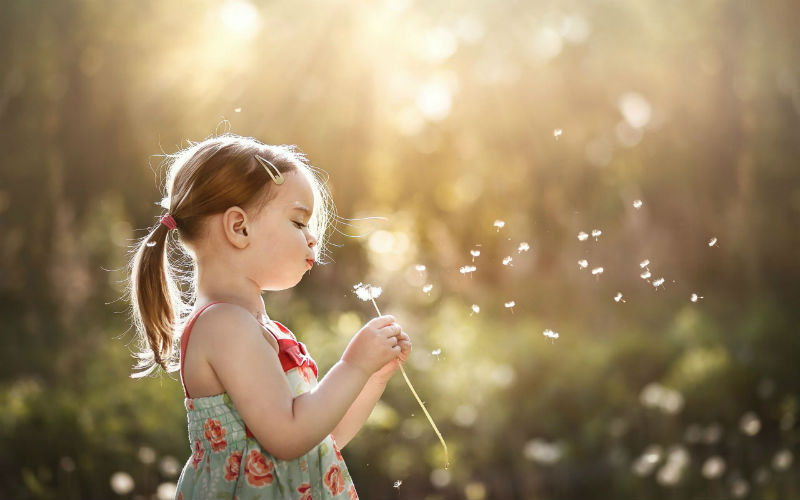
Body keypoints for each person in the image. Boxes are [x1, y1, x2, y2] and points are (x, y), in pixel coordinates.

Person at [126, 134, 412, 499]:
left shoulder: (258, 326)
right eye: (298, 222)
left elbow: (320, 435)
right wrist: (353, 365)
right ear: (239, 228)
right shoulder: (224, 326)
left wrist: (371, 377)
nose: (313, 238)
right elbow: (289, 436)